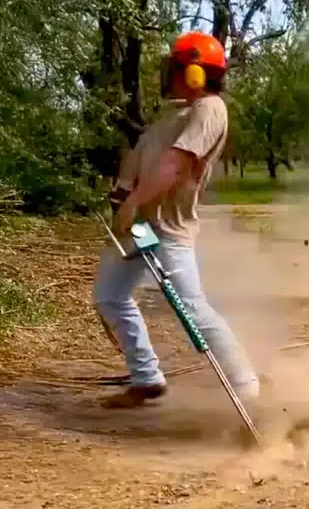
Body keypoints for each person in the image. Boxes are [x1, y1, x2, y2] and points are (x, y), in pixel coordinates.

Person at [93, 31, 259, 409]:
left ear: (196, 73)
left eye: (177, 68)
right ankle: (146, 378)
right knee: (110, 296)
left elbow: (176, 165)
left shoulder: (209, 109)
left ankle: (247, 387)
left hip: (167, 228)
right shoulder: (173, 112)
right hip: (139, 225)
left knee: (191, 306)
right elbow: (140, 154)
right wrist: (121, 190)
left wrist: (133, 201)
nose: (169, 74)